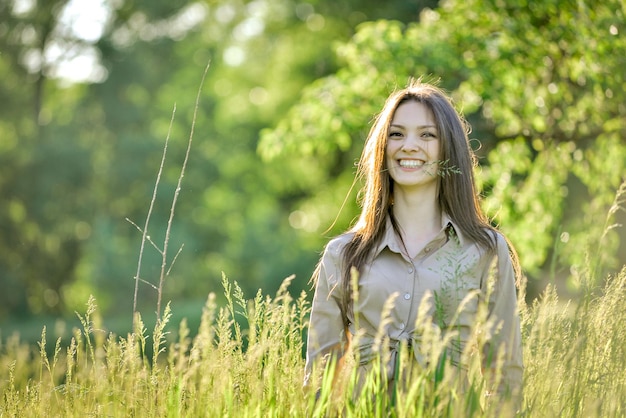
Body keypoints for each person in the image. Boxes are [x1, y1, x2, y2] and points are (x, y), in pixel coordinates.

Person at [304, 80, 523, 408]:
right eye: (396, 134)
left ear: (449, 148)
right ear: (383, 146)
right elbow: (319, 375)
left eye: (427, 135)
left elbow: (504, 370)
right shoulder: (344, 253)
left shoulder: (486, 250)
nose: (409, 145)